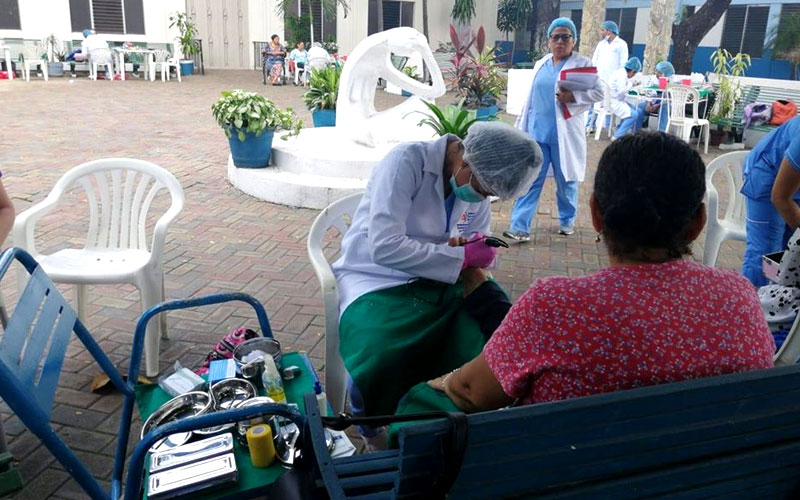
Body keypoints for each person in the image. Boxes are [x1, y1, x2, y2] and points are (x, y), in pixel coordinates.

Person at [393, 132, 774, 419]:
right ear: (698, 223)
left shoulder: (558, 305)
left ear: (594, 214)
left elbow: (470, 393)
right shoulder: (739, 296)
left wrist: (437, 382)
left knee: (417, 405)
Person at [332, 122, 542, 433]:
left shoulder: (476, 186)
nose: (481, 197)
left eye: (490, 194)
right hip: (375, 275)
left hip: (439, 275)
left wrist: (473, 249)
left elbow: (475, 237)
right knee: (380, 352)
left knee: (480, 334)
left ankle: (436, 418)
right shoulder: (407, 161)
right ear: (468, 158)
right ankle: (371, 422)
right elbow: (383, 246)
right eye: (483, 188)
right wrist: (458, 256)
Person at [503, 18, 603, 241]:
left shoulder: (582, 64)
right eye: (555, 36)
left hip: (564, 136)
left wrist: (574, 97)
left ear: (573, 40)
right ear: (548, 41)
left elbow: (599, 93)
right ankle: (520, 227)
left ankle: (567, 220)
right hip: (537, 133)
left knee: (566, 180)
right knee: (530, 180)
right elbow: (531, 98)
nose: (560, 41)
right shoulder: (542, 63)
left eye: (565, 36)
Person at [741, 116, 800, 286]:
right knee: (766, 254)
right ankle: (752, 307)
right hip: (767, 176)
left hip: (794, 182)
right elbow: (780, 197)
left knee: (791, 253)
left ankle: (777, 303)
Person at [587, 20, 629, 133]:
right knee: (594, 102)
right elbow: (594, 60)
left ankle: (608, 127)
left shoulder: (621, 44)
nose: (601, 32)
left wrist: (619, 78)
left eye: (603, 30)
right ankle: (589, 126)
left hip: (612, 81)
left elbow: (623, 64)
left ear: (609, 31)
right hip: (598, 79)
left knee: (610, 103)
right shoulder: (601, 44)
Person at [609, 57, 645, 140]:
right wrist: (631, 85)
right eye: (634, 74)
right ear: (632, 71)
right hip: (614, 101)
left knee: (638, 110)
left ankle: (636, 134)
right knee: (633, 115)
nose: (633, 76)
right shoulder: (621, 75)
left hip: (618, 100)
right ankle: (617, 136)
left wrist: (630, 84)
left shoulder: (622, 73)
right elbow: (621, 91)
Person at [638, 60, 675, 132]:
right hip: (653, 102)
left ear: (666, 74)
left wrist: (658, 106)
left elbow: (668, 99)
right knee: (640, 107)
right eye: (656, 71)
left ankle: (661, 133)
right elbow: (649, 93)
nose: (656, 74)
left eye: (660, 73)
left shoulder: (672, 82)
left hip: (665, 105)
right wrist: (648, 104)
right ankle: (637, 131)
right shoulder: (653, 79)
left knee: (664, 110)